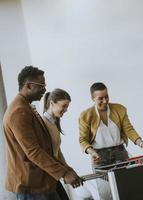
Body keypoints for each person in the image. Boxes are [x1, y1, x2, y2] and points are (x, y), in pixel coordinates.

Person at [3, 66, 83, 200]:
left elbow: (47, 147)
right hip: (31, 186)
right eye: (41, 86)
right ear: (28, 86)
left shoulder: (25, 107)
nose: (45, 90)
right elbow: (34, 151)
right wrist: (63, 173)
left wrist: (67, 169)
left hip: (40, 182)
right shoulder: (19, 112)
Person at [79, 82, 143, 200]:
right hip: (99, 157)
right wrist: (91, 152)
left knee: (127, 189)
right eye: (100, 98)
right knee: (107, 194)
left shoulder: (119, 109)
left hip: (120, 153)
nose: (105, 101)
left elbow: (128, 129)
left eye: (107, 96)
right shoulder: (85, 115)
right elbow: (83, 140)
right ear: (92, 98)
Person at [43, 88, 84, 200]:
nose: (66, 110)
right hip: (46, 179)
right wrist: (64, 173)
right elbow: (45, 155)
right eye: (64, 106)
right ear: (52, 103)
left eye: (67, 107)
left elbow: (57, 151)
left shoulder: (54, 123)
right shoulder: (43, 124)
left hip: (54, 177)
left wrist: (68, 168)